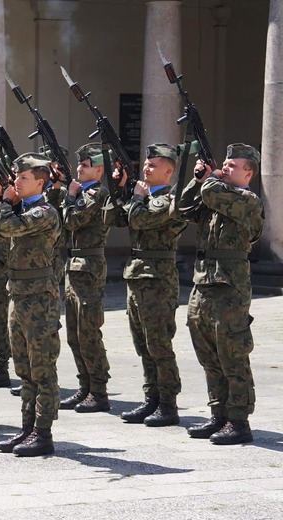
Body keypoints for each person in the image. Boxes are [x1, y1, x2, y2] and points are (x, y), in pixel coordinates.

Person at [176, 143, 264, 445]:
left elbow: (211, 194)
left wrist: (211, 178)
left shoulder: (247, 200)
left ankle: (238, 420)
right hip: (203, 283)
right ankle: (219, 414)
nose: (225, 168)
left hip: (229, 287)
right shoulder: (214, 194)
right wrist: (197, 178)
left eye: (232, 166)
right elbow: (183, 208)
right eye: (224, 164)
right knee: (208, 354)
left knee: (233, 354)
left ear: (248, 173)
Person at [0, 153, 61, 457]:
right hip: (18, 295)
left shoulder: (45, 212)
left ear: (40, 182)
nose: (16, 182)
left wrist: (5, 205)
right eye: (16, 177)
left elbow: (9, 229)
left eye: (23, 178)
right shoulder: (17, 209)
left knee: (42, 368)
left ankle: (43, 432)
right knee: (24, 368)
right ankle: (27, 428)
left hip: (40, 299)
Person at [105, 144, 188, 426]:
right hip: (138, 276)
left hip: (158, 279)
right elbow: (112, 217)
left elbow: (139, 220)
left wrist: (137, 197)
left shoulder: (171, 200)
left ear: (168, 171)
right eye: (145, 164)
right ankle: (151, 399)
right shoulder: (144, 197)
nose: (146, 169)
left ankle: (168, 403)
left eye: (153, 166)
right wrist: (120, 189)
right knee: (143, 344)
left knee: (159, 344)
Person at [58, 143, 112, 413]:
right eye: (79, 164)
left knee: (88, 332)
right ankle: (85, 386)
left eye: (86, 164)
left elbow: (71, 220)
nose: (79, 168)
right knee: (74, 333)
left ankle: (99, 391)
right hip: (75, 264)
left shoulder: (97, 193)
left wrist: (69, 196)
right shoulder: (82, 192)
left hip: (89, 265)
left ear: (100, 170)